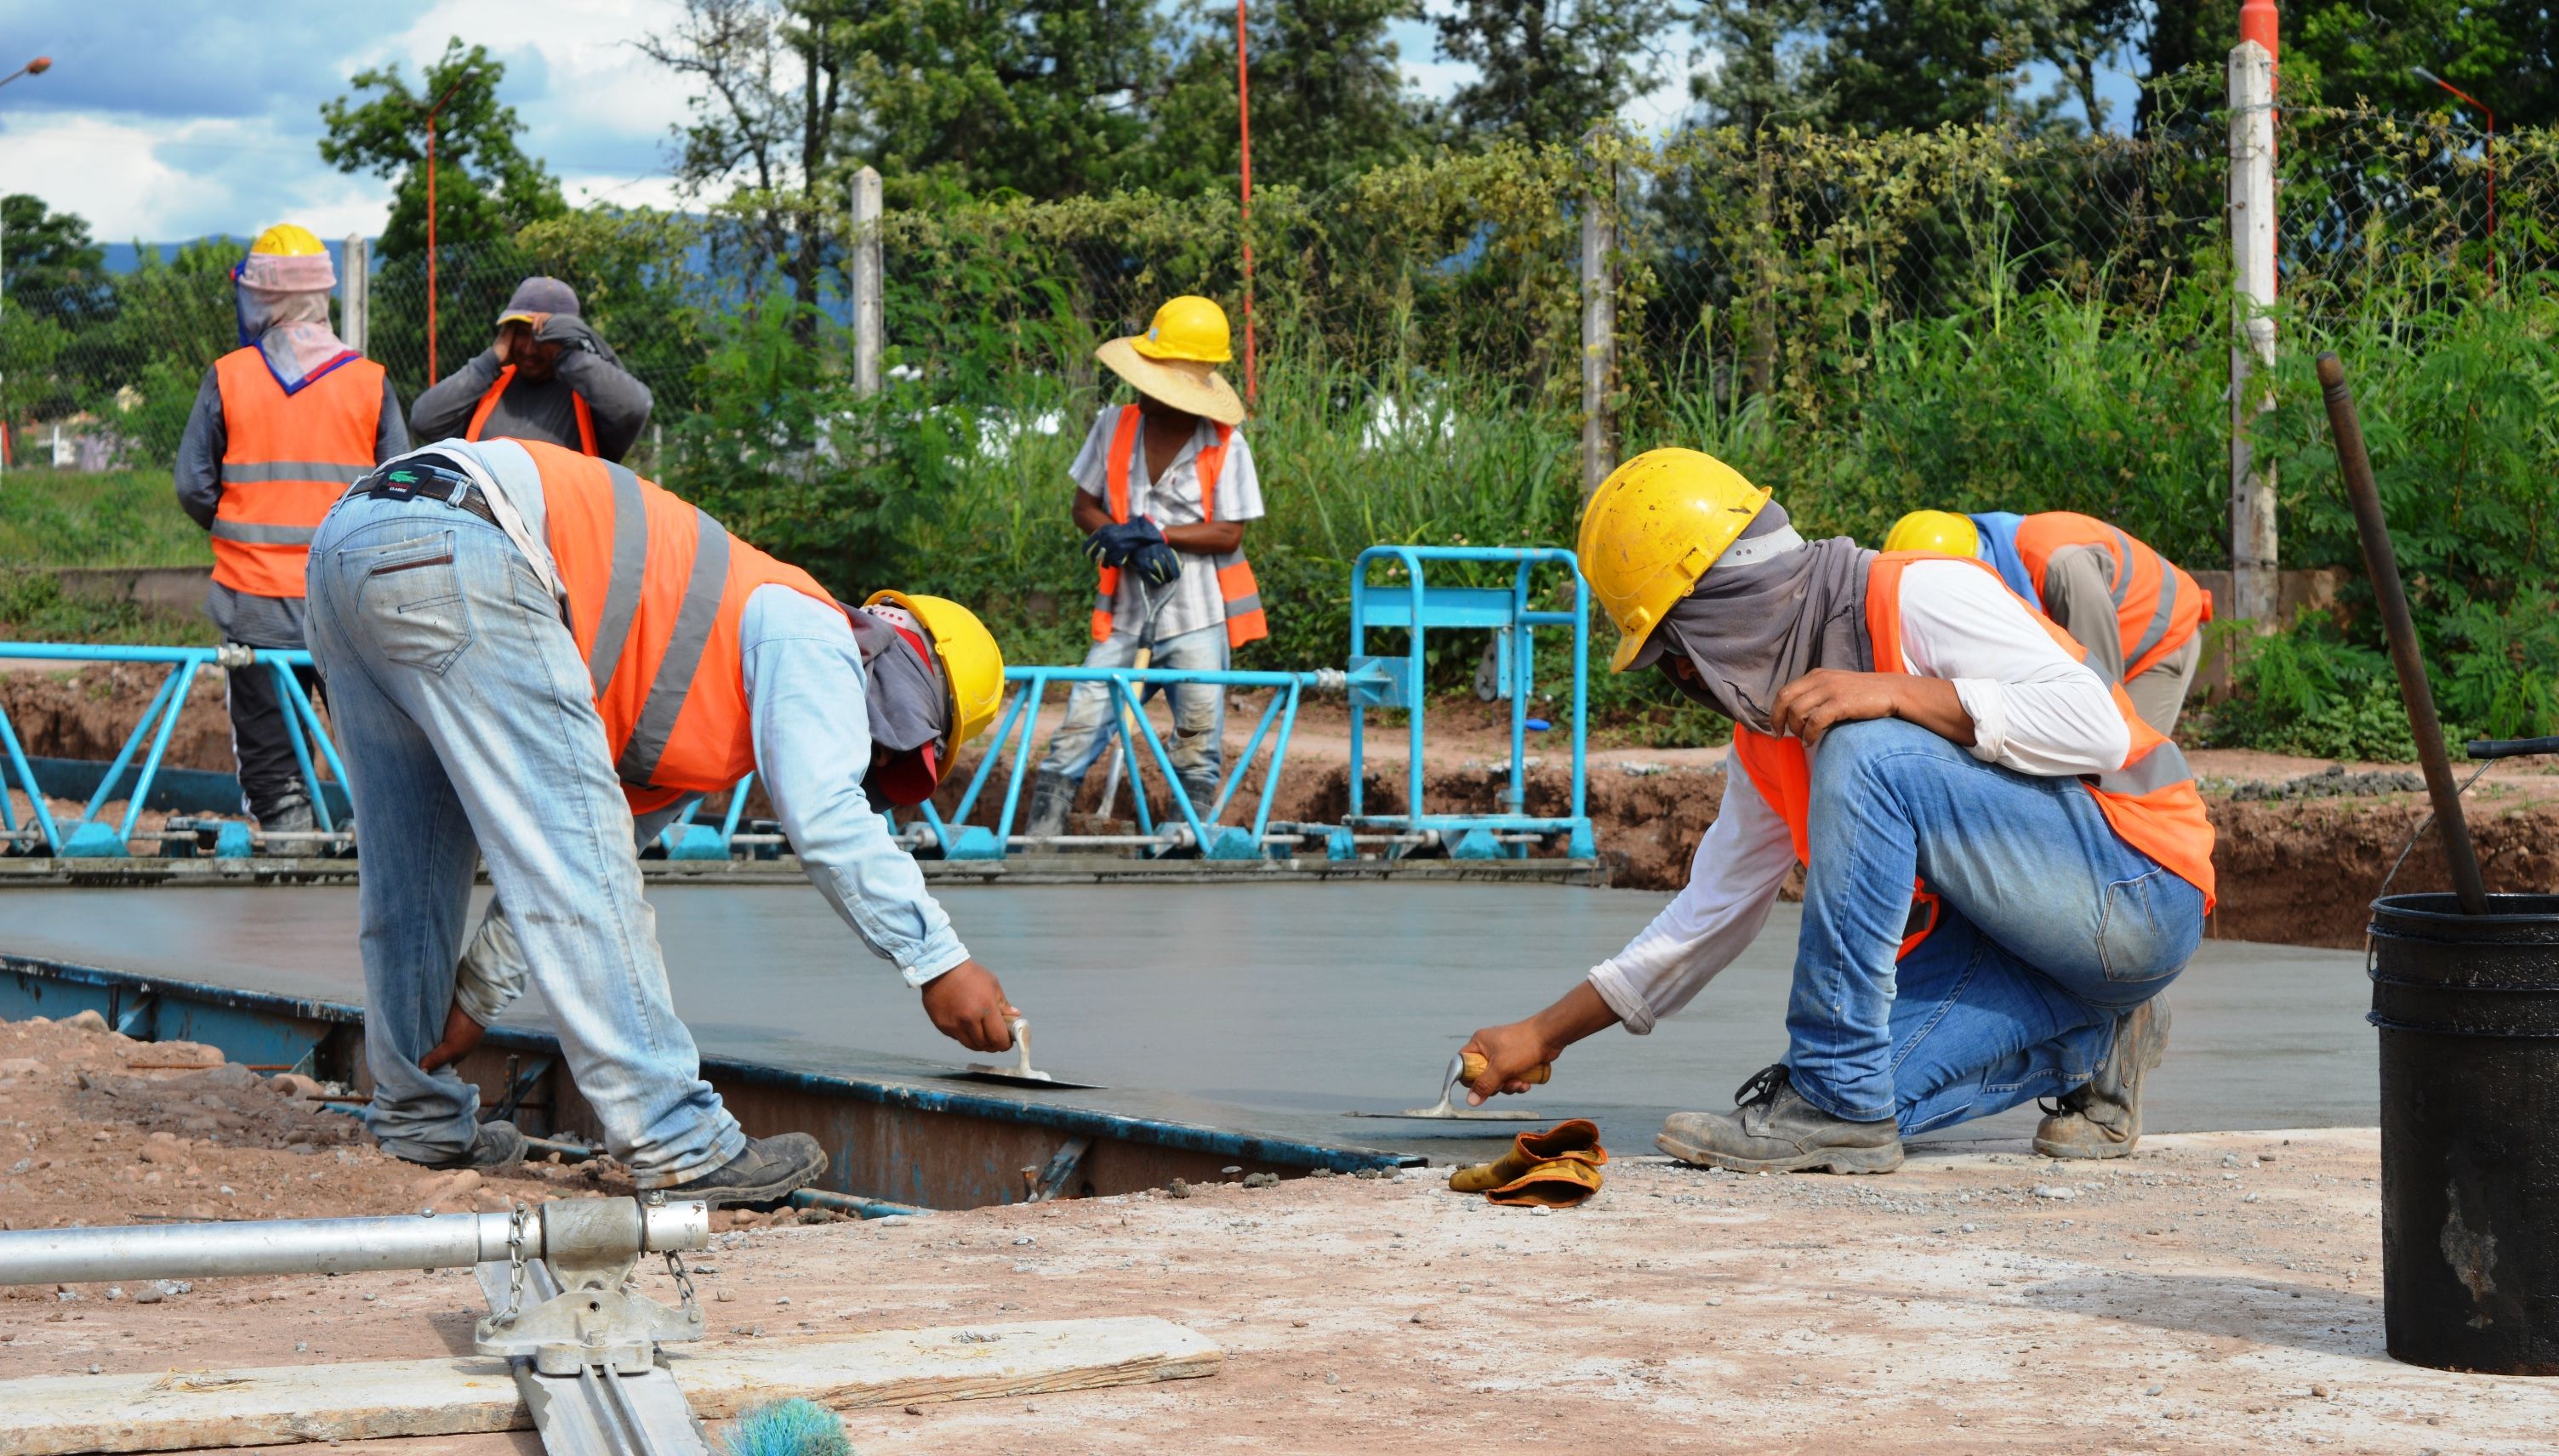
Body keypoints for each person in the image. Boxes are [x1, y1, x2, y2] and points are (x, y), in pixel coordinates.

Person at [304, 435, 1021, 1202]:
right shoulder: (815, 629)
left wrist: (475, 997)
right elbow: (823, 813)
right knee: (500, 873)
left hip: (355, 543)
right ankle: (679, 1139)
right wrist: (939, 962)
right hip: (466, 540)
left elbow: (577, 854)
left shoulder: (694, 690)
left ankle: (417, 1115)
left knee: (409, 873)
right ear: (903, 678)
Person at [1461, 450, 2216, 1168]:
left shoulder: (1917, 595)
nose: (1688, 677)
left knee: (1868, 751)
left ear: (1726, 611)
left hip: (2139, 888)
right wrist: (1542, 1033)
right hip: (2032, 945)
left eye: (1677, 651)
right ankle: (2099, 1039)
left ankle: (1834, 1096)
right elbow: (1709, 915)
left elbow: (2097, 726)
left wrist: (1897, 692)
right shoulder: (1767, 741)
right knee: (1869, 1085)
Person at [174, 224, 408, 833]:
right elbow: (402, 494)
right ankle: (384, 845)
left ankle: (289, 842)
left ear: (259, 298)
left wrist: (240, 523)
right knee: (373, 743)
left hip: (255, 604)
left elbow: (192, 485)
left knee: (271, 756)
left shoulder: (229, 377)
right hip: (350, 603)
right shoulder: (369, 382)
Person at [1023, 297, 1267, 835]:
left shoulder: (1224, 445)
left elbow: (1230, 532)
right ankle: (1040, 836)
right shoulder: (1115, 426)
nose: (1138, 387)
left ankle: (1188, 838)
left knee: (1196, 738)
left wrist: (1160, 535)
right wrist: (1114, 535)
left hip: (1197, 618)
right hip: (1126, 616)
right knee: (1082, 722)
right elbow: (1083, 506)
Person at [1885, 509, 2211, 736]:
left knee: (2122, 766)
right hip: (2112, 641)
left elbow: (2104, 693)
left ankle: (2162, 832)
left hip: (2161, 639)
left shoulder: (2061, 566)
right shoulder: (1995, 553)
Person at [408, 277, 652, 462]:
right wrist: (490, 360)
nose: (528, 349)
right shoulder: (489, 387)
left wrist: (568, 356)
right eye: (520, 335)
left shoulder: (590, 398)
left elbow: (634, 407)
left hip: (558, 528)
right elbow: (424, 420)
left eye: (542, 338)